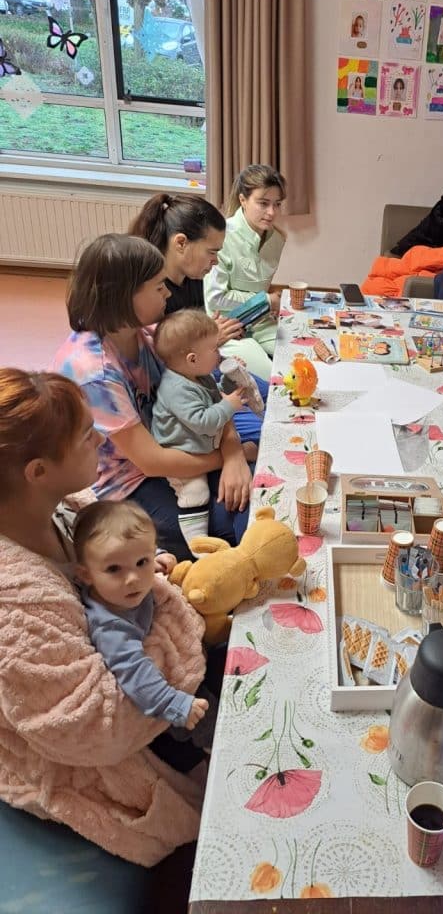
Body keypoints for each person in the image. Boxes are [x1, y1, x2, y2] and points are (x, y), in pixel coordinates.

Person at [0, 368, 206, 864]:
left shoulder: (68, 507)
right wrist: (170, 624)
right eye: (85, 437)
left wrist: (140, 576)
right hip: (82, 755)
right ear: (37, 471)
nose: (100, 439)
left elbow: (133, 588)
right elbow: (93, 728)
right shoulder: (14, 601)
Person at [54, 234, 253, 562]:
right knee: (231, 521)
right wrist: (227, 459)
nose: (167, 293)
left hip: (177, 453)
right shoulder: (94, 371)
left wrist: (233, 454)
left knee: (252, 486)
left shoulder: (147, 336)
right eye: (158, 286)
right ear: (123, 295)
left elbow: (209, 390)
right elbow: (151, 461)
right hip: (127, 486)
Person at [128, 191, 268, 448]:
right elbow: (167, 360)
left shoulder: (191, 278)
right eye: (212, 252)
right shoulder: (152, 296)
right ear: (181, 243)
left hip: (205, 368)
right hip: (189, 390)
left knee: (274, 395)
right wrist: (210, 339)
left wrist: (211, 338)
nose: (215, 262)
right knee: (265, 431)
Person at [73, 500, 211, 739]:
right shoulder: (109, 626)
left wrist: (155, 558)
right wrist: (173, 703)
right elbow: (134, 672)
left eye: (141, 562)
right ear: (86, 575)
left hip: (191, 655)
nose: (133, 579)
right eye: (114, 569)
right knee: (208, 725)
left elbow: (136, 550)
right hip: (170, 705)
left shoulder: (128, 582)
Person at [152, 310, 247, 548]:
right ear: (193, 359)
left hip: (202, 443)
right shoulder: (177, 389)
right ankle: (198, 544)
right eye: (215, 349)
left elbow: (214, 395)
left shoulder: (198, 376)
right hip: (182, 453)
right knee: (196, 493)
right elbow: (203, 421)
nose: (219, 354)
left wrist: (230, 379)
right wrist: (228, 406)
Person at [204, 164, 288, 381]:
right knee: (275, 379)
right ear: (243, 200)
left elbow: (261, 287)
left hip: (260, 319)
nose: (272, 212)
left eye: (277, 204)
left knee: (297, 356)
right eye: (263, 203)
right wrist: (266, 300)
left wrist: (266, 304)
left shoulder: (277, 239)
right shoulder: (222, 236)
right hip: (227, 326)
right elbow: (215, 299)